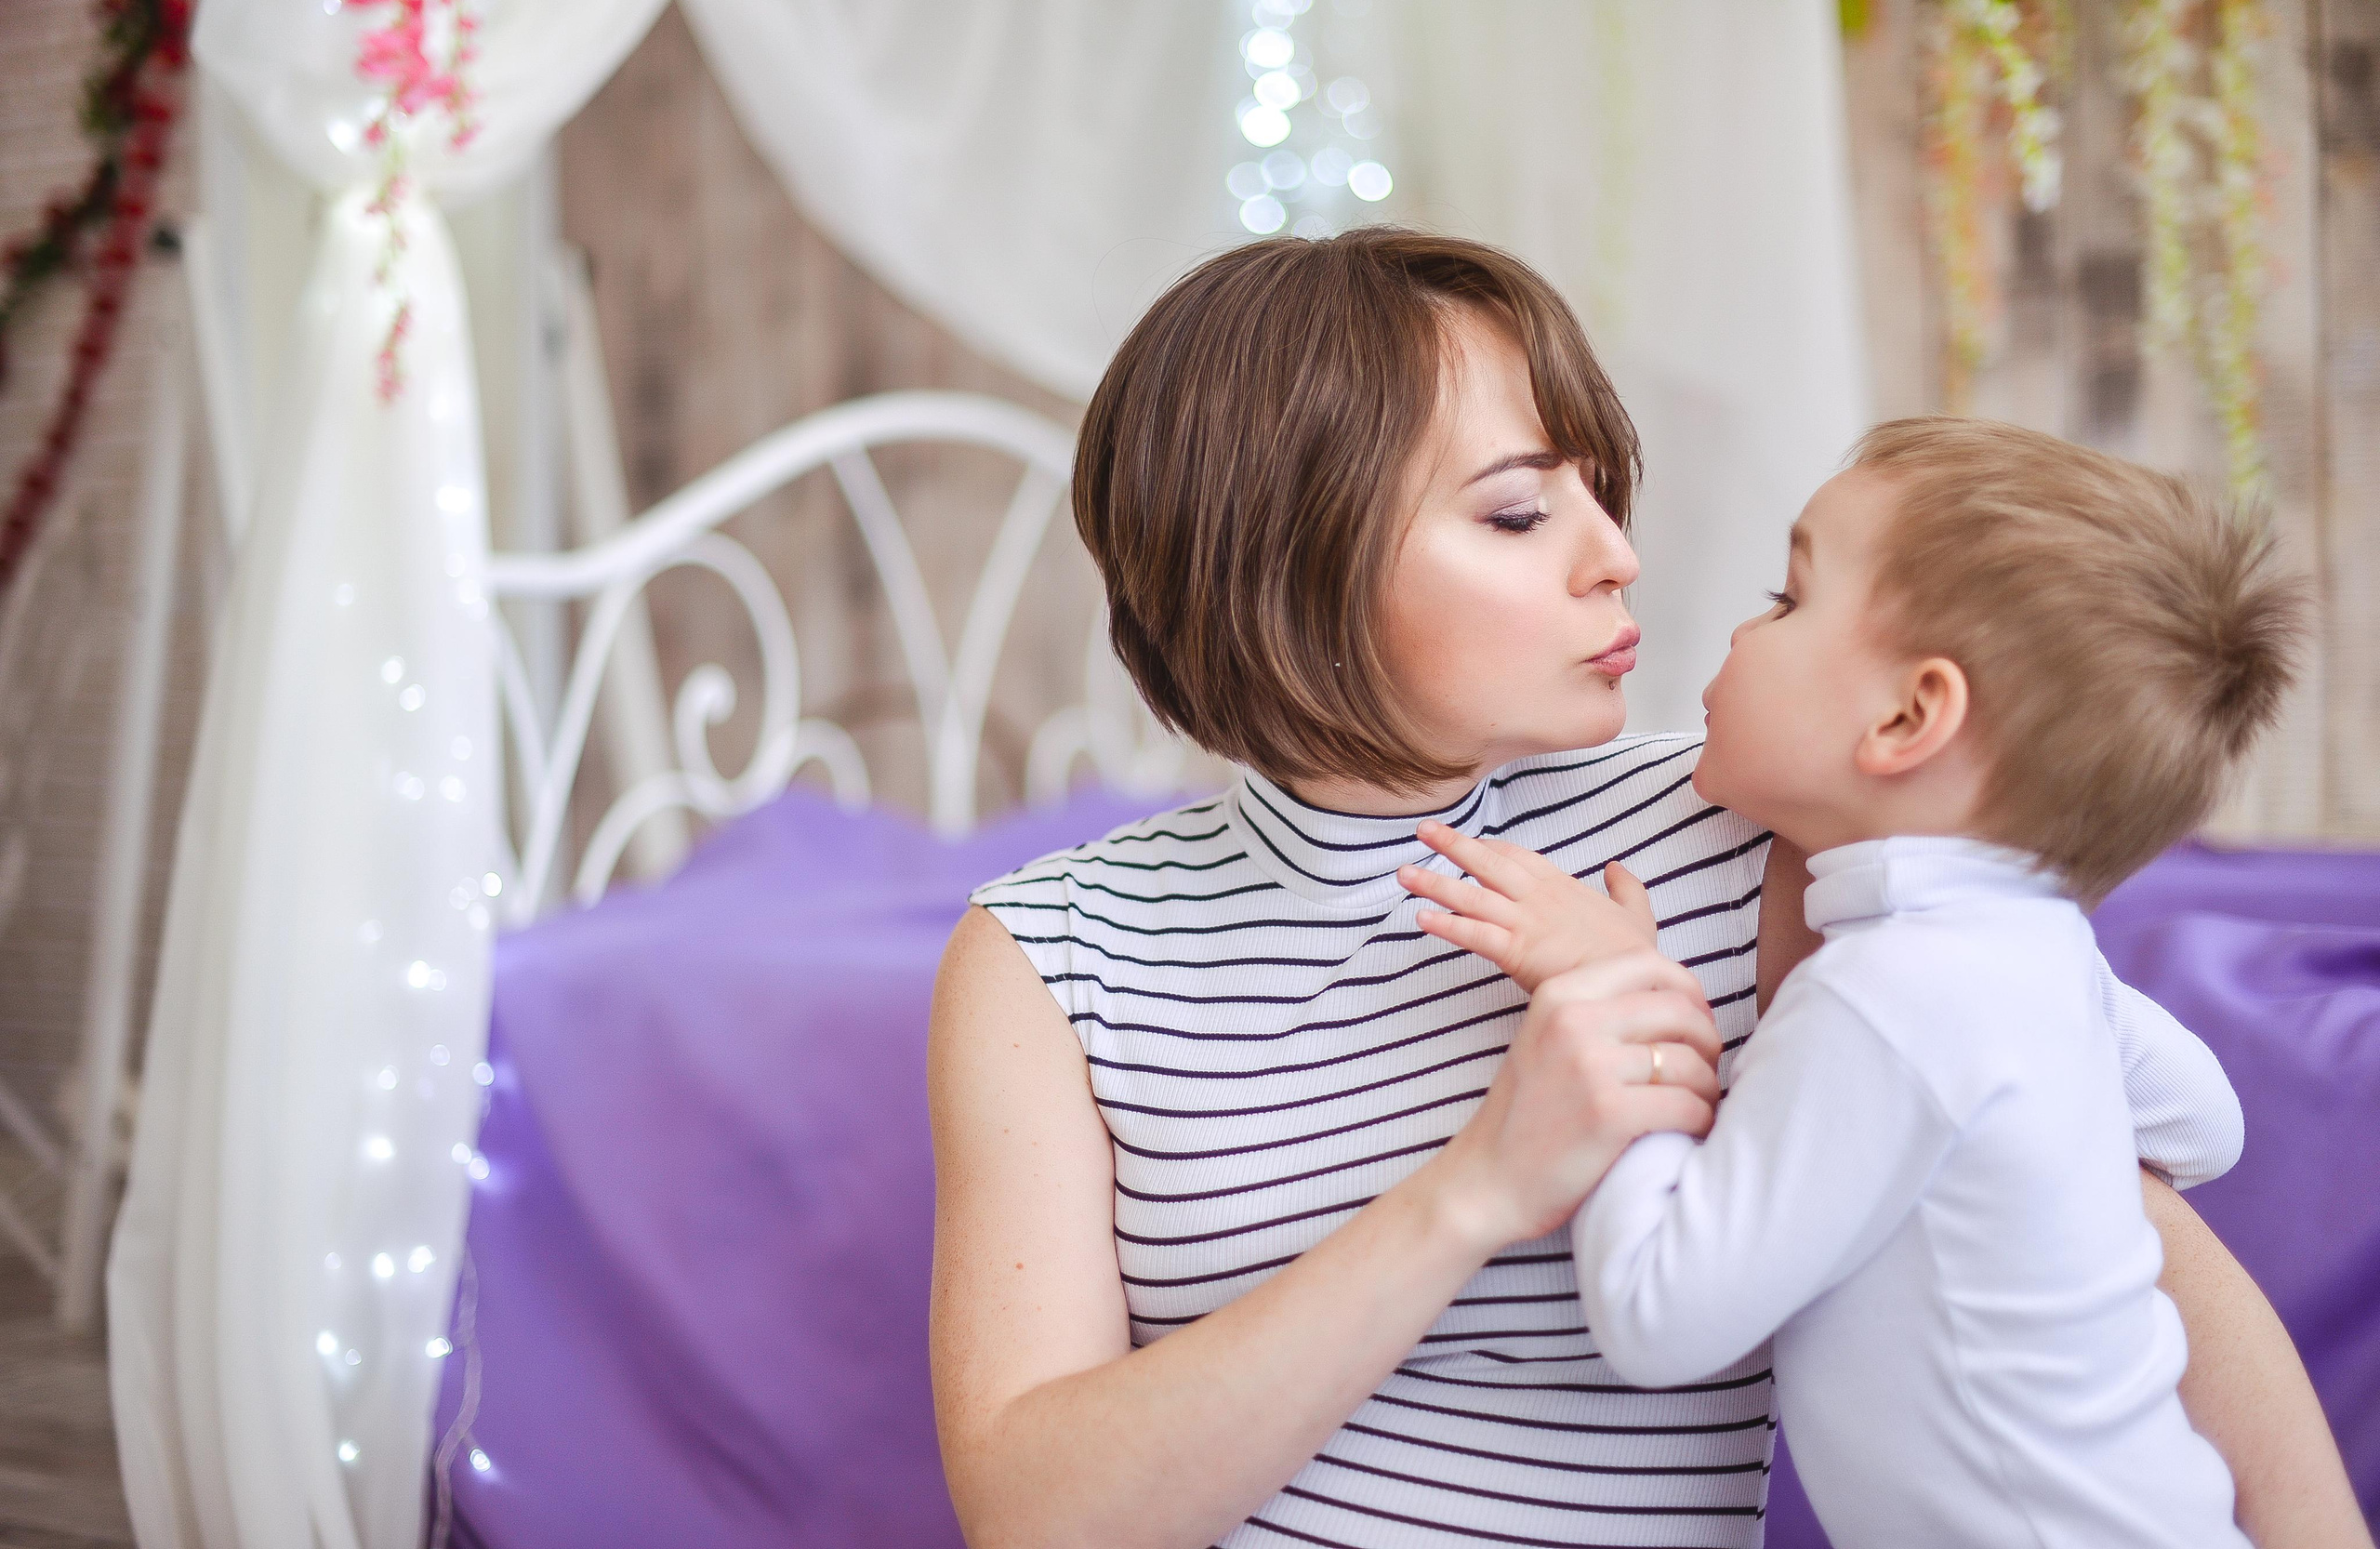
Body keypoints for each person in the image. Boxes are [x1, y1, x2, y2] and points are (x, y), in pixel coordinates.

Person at [926, 229, 2368, 1549]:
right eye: (1513, 516)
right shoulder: (1051, 957)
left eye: (1598, 495)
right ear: (1280, 557)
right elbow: (1039, 1515)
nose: (1617, 559)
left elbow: (2110, 1244)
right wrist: (1481, 1187)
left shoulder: (1762, 833)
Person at [1403, 417, 2309, 1547]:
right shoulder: (2026, 956)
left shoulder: (1877, 998)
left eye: (1786, 601)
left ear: (1906, 716)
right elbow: (2204, 1124)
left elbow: (1659, 1316)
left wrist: (1613, 990)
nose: (1740, 627)